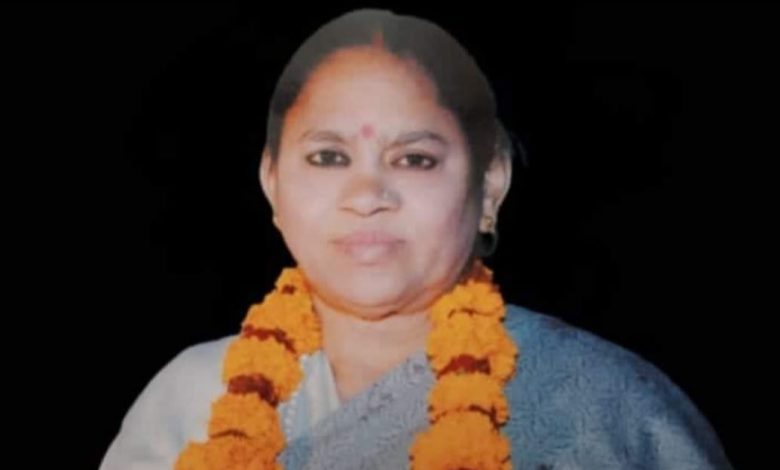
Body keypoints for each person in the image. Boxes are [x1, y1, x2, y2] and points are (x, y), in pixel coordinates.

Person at [100, 8, 733, 470]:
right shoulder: (191, 401)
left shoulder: (608, 410)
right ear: (272, 183)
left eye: (414, 159)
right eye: (327, 157)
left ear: (490, 185)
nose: (366, 194)